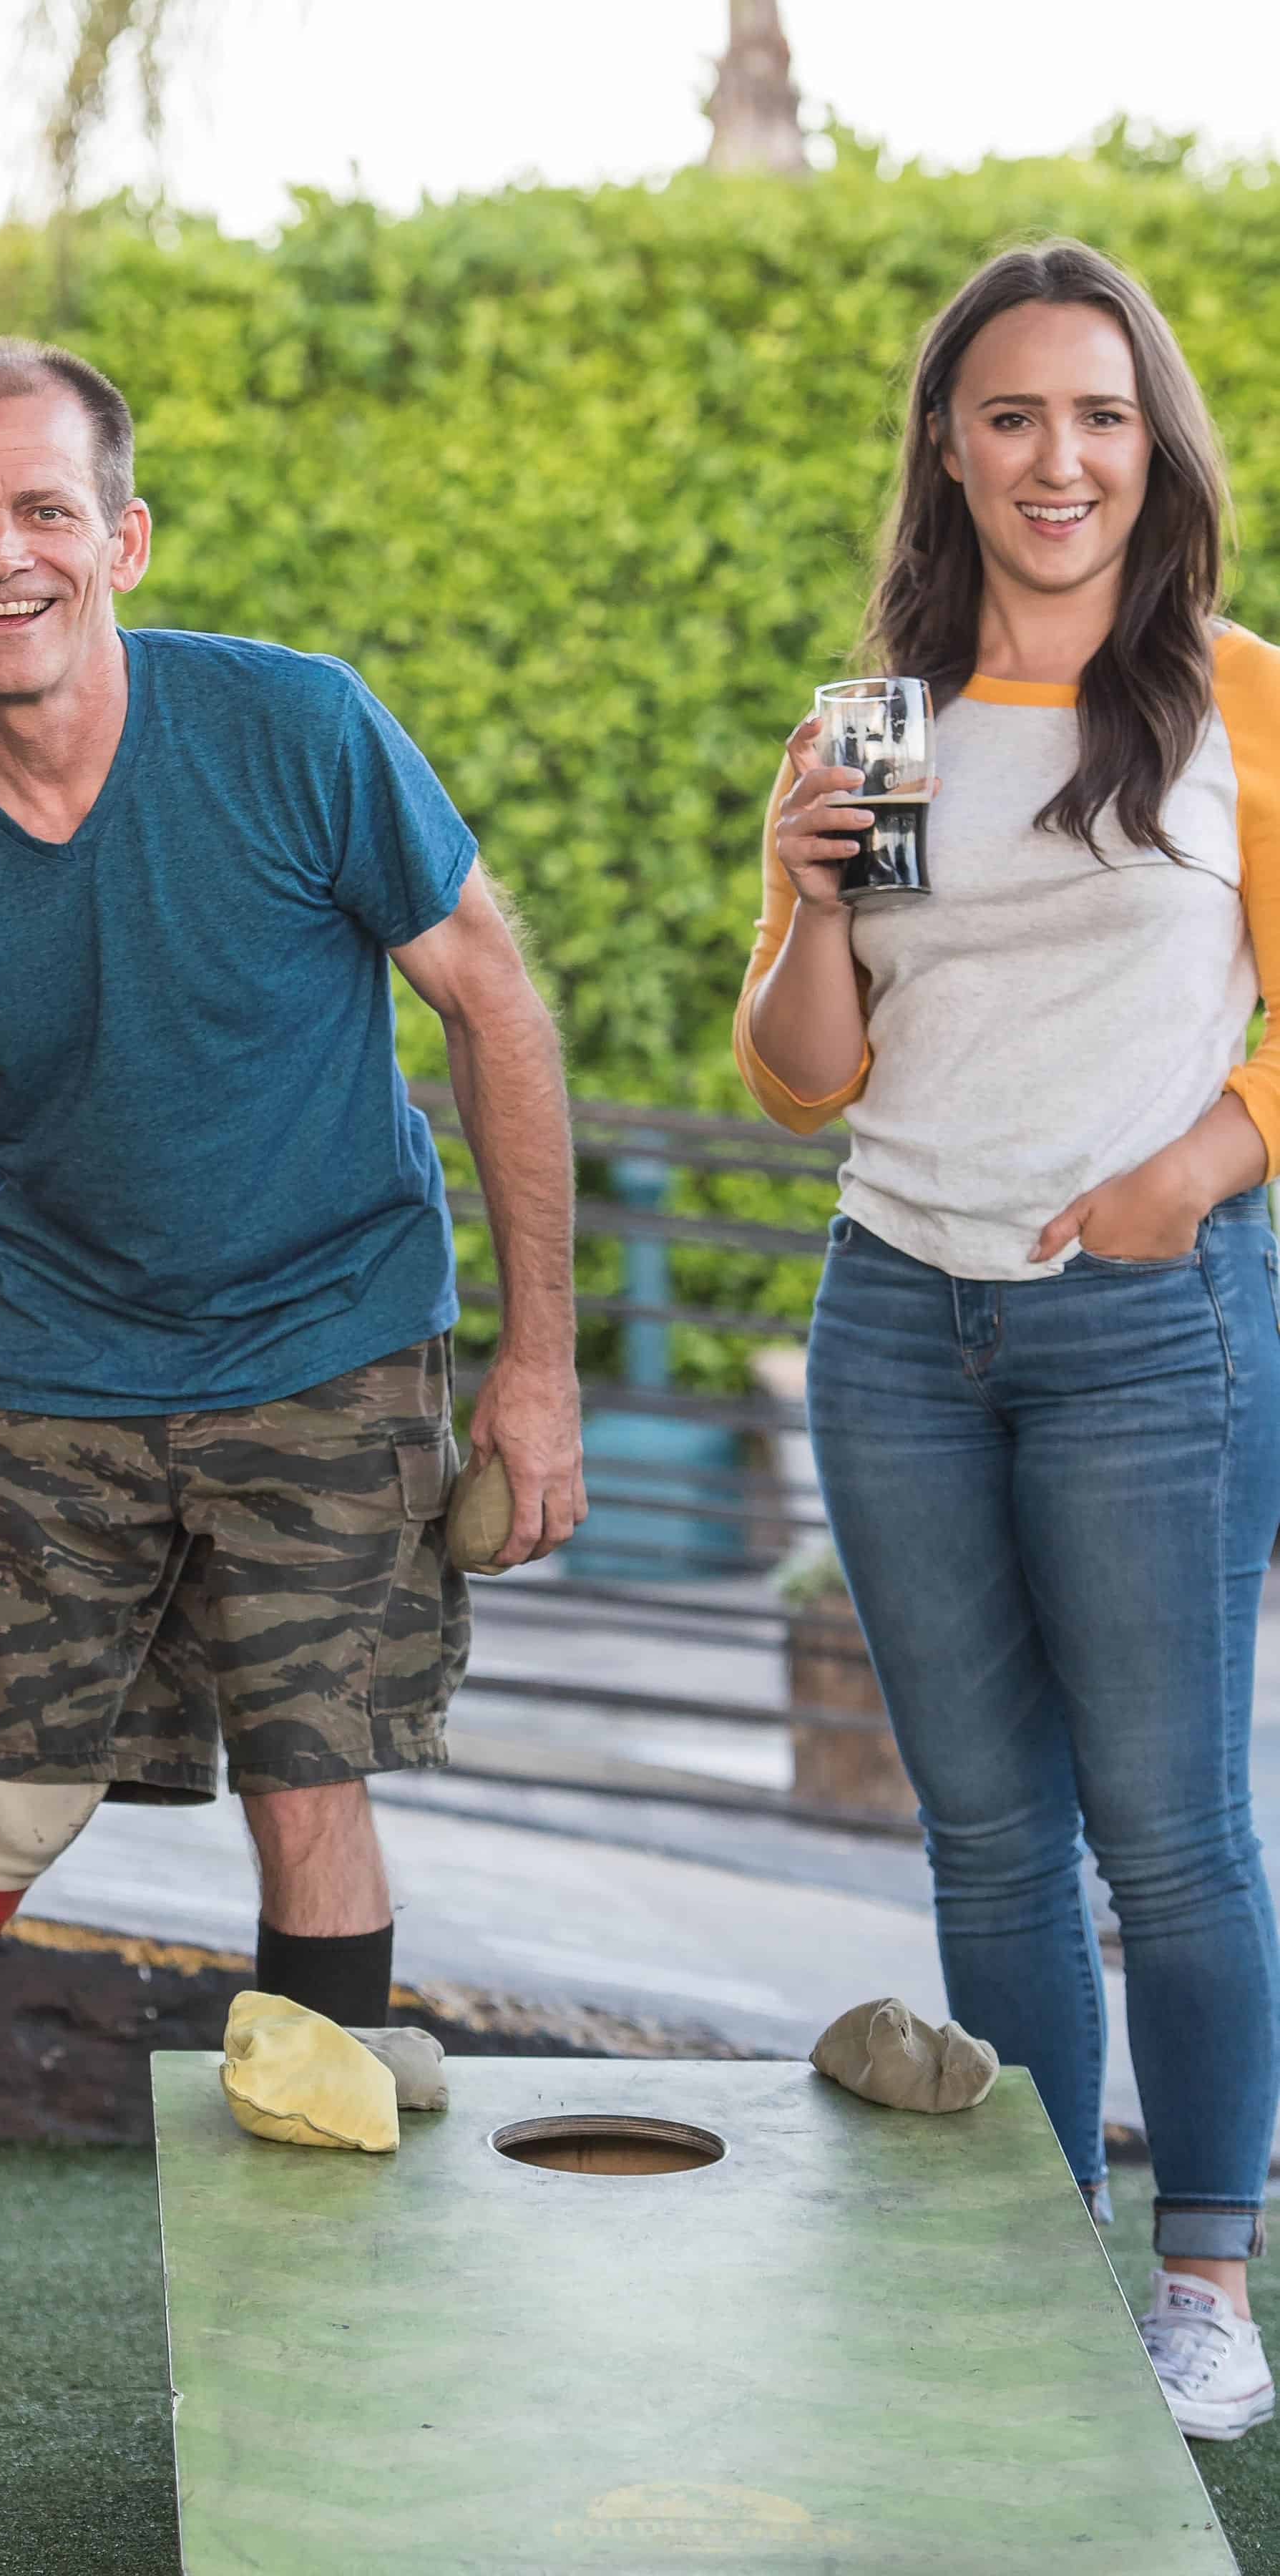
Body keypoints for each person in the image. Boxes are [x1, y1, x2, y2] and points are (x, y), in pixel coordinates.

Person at [0, 336, 585, 2379]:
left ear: (124, 538)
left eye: (47, 509)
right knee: (7, 1806)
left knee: (307, 1764)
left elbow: (494, 1000)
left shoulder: (294, 731)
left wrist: (540, 1362)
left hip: (334, 1327)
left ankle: (327, 2313)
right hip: (69, 1360)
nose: (7, 553)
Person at [735, 240, 1280, 2442]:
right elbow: (801, 1074)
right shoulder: (870, 724)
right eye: (1012, 417)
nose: (1060, 459)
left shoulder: (1243, 697)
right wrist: (795, 896)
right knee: (983, 1831)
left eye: (1100, 415)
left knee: (1170, 1830)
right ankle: (1041, 2256)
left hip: (1152, 1322)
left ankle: (1211, 2281)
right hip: (896, 1323)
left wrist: (1201, 1172)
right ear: (947, 452)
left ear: (1152, 448)